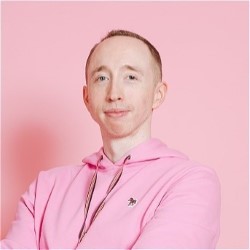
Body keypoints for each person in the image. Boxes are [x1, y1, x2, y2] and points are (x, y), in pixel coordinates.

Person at [1, 29, 220, 249]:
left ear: (158, 94)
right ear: (87, 97)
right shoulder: (45, 188)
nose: (114, 93)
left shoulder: (190, 181)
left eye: (131, 77)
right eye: (102, 78)